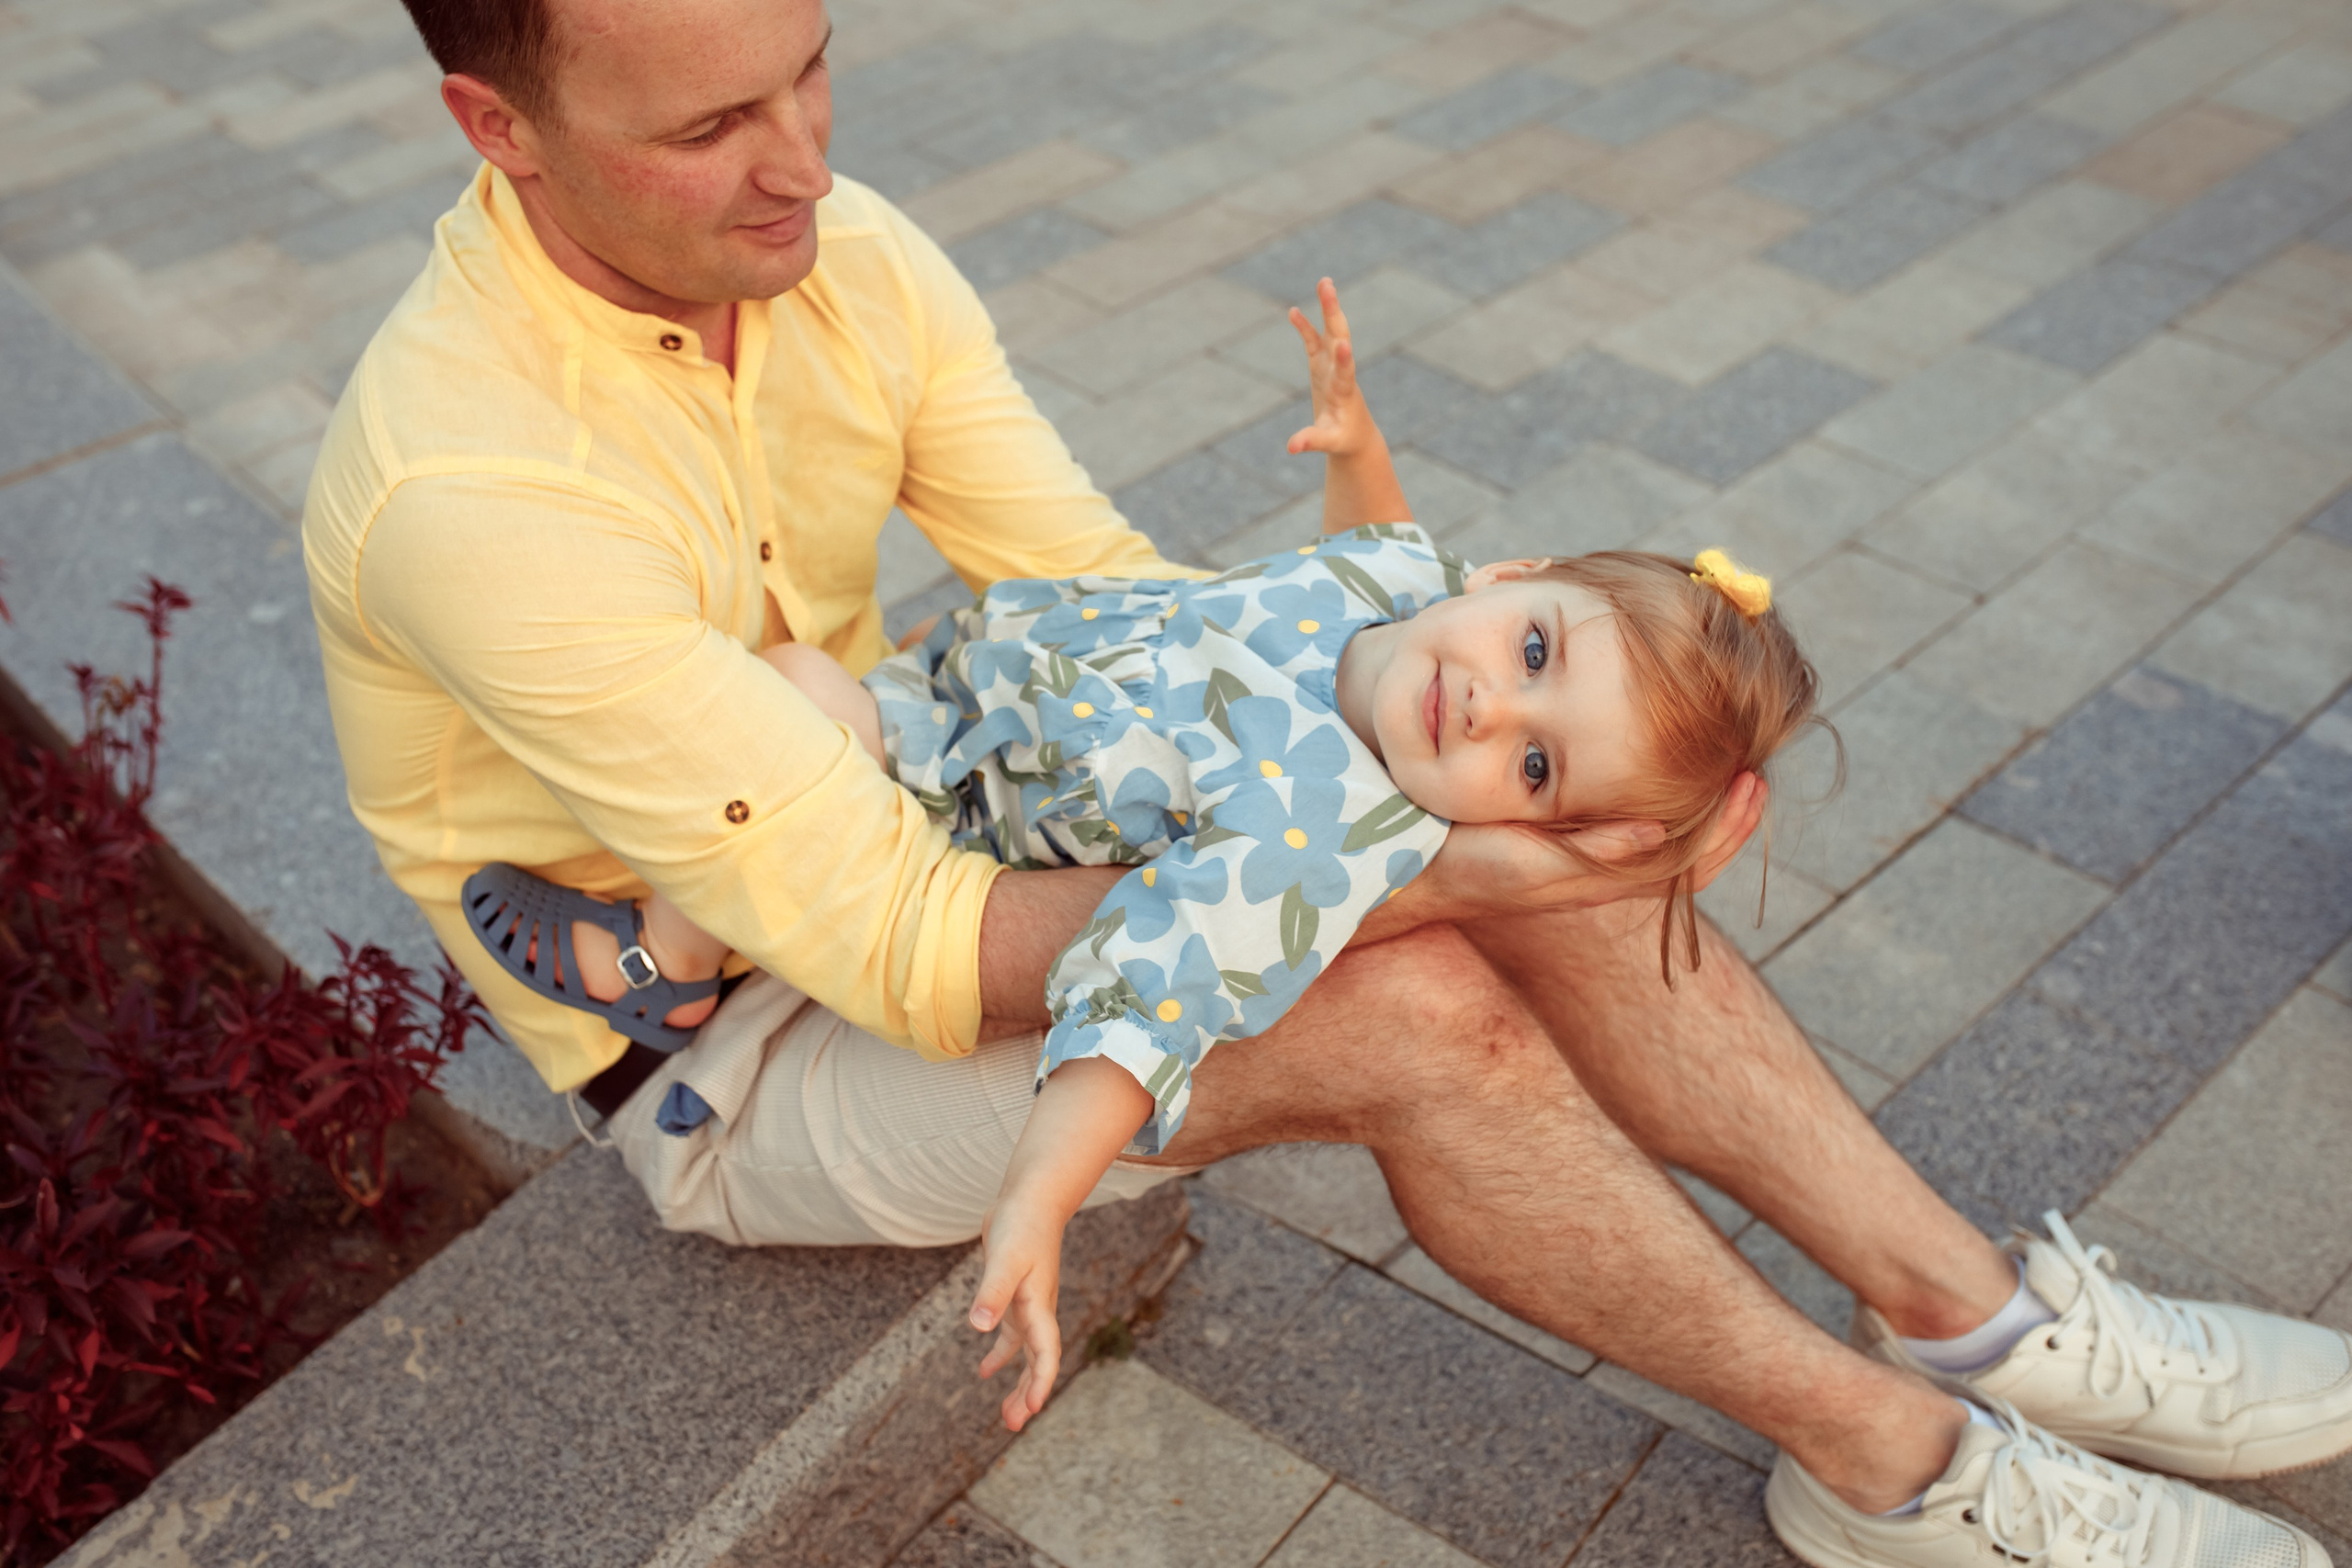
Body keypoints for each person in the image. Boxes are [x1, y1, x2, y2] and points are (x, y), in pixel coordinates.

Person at [299, 0, 2352, 1561]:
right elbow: (910, 946)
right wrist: (1427, 871)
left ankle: (1974, 1318)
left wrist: (1441, 744)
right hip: (730, 1045)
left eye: (812, 67)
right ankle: (1895, 1465)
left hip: (920, 801)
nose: (805, 165)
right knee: (1419, 968)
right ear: (499, 129)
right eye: (709, 128)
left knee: (1519, 783)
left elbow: (1112, 595)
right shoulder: (475, 495)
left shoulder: (849, 254)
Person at [455, 278, 1826, 1433]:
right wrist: (1353, 441)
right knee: (788, 689)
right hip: (966, 691)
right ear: (1510, 577)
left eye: (1534, 768)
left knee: (793, 698)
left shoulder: (1309, 837)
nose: (1488, 707)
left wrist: (1040, 1200)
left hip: (936, 796)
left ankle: (660, 962)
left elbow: (1148, 999)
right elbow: (1378, 542)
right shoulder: (1406, 594)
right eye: (1533, 653)